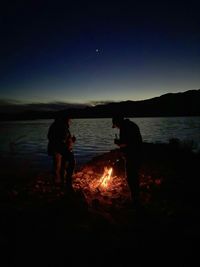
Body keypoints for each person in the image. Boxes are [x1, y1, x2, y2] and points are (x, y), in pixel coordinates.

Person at [112, 114, 143, 209]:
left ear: (117, 123)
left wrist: (118, 143)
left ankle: (135, 200)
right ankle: (136, 197)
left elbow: (126, 143)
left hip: (132, 155)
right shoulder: (131, 124)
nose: (116, 128)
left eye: (116, 126)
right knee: (134, 176)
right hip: (137, 153)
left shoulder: (125, 127)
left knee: (131, 176)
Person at [47, 112, 76, 191]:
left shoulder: (59, 125)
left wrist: (71, 141)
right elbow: (61, 139)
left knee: (61, 166)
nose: (70, 122)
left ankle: (62, 183)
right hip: (59, 149)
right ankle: (66, 182)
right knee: (70, 162)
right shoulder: (61, 126)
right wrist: (67, 146)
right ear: (66, 120)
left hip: (59, 149)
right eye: (69, 121)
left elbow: (65, 139)